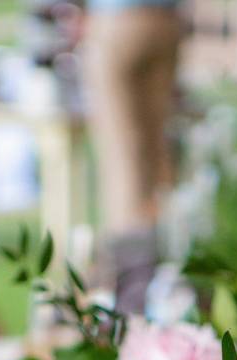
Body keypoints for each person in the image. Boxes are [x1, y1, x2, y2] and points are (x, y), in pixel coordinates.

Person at [86, 0, 181, 312]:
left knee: (123, 161)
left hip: (117, 17)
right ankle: (165, 279)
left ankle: (131, 298)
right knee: (156, 160)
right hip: (167, 17)